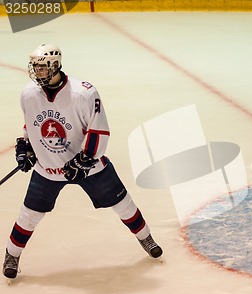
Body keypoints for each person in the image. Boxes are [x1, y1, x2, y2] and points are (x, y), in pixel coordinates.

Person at [2, 43, 163, 280]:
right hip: (48, 167)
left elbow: (98, 131)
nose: (37, 72)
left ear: (55, 66)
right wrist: (27, 148)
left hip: (88, 166)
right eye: (35, 68)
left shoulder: (83, 93)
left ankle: (146, 238)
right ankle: (12, 255)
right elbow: (31, 125)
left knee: (123, 204)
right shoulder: (28, 93)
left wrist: (84, 160)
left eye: (42, 68)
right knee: (29, 214)